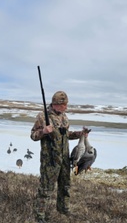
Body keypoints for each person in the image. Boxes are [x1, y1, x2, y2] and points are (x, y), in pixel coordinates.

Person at [30, 91, 86, 222]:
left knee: (65, 186)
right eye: (64, 105)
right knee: (46, 188)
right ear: (57, 104)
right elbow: (33, 136)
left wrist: (80, 134)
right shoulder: (42, 116)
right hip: (50, 160)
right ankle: (40, 215)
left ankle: (63, 208)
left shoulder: (64, 117)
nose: (66, 107)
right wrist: (43, 131)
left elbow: (66, 135)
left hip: (64, 159)